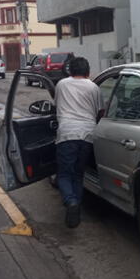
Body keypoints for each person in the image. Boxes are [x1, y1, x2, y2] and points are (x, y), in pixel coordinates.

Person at [54, 57, 104, 228]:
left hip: (67, 134)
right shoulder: (94, 87)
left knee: (64, 174)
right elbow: (100, 113)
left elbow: (57, 106)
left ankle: (71, 202)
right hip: (88, 135)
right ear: (88, 72)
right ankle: (76, 208)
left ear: (70, 71)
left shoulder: (61, 84)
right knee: (78, 174)